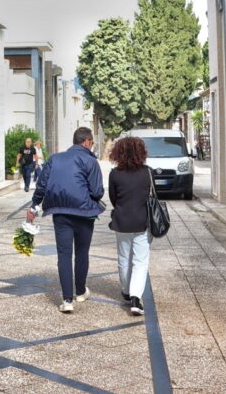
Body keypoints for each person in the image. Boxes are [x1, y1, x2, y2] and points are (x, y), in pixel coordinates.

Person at [27, 127, 104, 314]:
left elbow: (42, 185)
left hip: (60, 212)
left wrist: (34, 207)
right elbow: (97, 191)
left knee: (64, 254)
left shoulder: (55, 159)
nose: (91, 146)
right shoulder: (90, 161)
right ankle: (80, 291)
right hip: (85, 213)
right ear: (86, 141)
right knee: (82, 252)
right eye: (92, 142)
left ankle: (67, 300)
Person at [108, 135, 154, 316]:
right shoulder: (147, 172)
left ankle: (126, 292)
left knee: (123, 258)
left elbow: (113, 198)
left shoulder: (114, 174)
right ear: (141, 153)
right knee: (140, 262)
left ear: (118, 153)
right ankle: (136, 298)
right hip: (142, 222)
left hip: (121, 221)